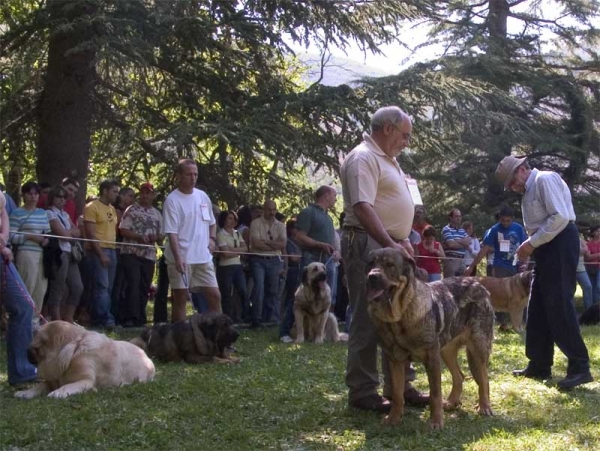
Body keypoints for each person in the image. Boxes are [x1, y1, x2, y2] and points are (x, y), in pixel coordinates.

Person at [340, 105, 428, 413]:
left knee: (399, 313)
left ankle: (400, 386)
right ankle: (363, 390)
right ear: (388, 129)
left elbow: (389, 205)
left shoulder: (388, 160)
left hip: (389, 246)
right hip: (367, 246)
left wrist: (402, 239)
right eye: (404, 135)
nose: (407, 142)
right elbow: (363, 207)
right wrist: (392, 243)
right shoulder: (363, 157)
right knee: (368, 315)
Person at [496, 154, 592, 390]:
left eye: (511, 180)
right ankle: (539, 364)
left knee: (559, 304)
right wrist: (532, 245)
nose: (511, 187)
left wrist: (531, 243)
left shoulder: (545, 179)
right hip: (547, 247)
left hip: (560, 243)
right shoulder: (528, 192)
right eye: (508, 184)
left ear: (522, 169)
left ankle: (580, 367)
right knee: (537, 305)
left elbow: (559, 217)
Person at [162, 159, 221, 323]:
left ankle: (219, 338)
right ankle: (179, 340)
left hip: (203, 258)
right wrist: (178, 258)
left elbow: (212, 223)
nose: (193, 178)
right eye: (189, 174)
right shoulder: (172, 200)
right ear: (179, 175)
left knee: (215, 296)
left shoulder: (203, 197)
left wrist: (212, 238)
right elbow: (171, 233)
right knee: (180, 299)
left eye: (195, 174)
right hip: (181, 259)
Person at [464, 206, 528, 331]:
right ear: (500, 218)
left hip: (517, 266)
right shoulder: (494, 230)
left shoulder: (518, 229)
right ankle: (502, 323)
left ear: (512, 219)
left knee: (520, 297)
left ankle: (519, 325)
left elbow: (526, 246)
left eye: (508, 221)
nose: (505, 223)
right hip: (500, 265)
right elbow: (484, 249)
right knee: (501, 293)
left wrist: (525, 263)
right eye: (503, 220)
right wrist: (471, 266)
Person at [1, 190, 38, 386]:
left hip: (2, 254)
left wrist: (3, 240)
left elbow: (3, 214)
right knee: (23, 306)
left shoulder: (3, 197)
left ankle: (22, 370)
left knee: (23, 306)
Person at [118, 183, 163, 327]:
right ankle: (130, 318)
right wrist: (138, 237)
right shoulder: (132, 210)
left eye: (148, 193)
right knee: (133, 284)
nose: (144, 195)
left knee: (144, 286)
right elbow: (123, 229)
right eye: (142, 192)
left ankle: (140, 318)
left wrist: (155, 237)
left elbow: (162, 235)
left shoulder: (157, 213)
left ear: (152, 195)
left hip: (149, 255)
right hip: (131, 252)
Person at [9, 181, 50, 329]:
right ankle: (22, 323)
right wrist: (30, 236)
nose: (33, 197)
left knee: (40, 290)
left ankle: (34, 324)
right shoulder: (17, 213)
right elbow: (11, 236)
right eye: (29, 194)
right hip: (25, 254)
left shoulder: (42, 213)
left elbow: (47, 233)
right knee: (27, 288)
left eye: (36, 194)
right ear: (24, 195)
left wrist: (45, 240)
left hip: (41, 255)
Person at [295, 185, 341, 308]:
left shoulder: (328, 218)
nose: (335, 199)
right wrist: (319, 245)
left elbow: (331, 241)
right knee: (304, 296)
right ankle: (290, 326)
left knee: (329, 296)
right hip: (312, 259)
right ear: (326, 195)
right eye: (334, 196)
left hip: (328, 260)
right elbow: (299, 237)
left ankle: (325, 325)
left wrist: (335, 251)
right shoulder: (308, 212)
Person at [83, 179, 120, 329]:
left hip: (112, 250)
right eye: (114, 191)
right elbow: (91, 234)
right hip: (99, 250)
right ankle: (103, 320)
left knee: (108, 287)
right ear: (105, 191)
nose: (117, 195)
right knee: (102, 286)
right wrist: (100, 254)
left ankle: (103, 317)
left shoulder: (111, 209)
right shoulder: (92, 207)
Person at [45, 185, 84, 323]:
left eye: (64, 197)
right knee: (58, 286)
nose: (62, 199)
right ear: (52, 198)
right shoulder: (49, 213)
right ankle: (56, 320)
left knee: (77, 286)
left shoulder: (65, 214)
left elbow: (77, 232)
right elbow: (63, 234)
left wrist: (69, 233)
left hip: (71, 253)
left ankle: (69, 318)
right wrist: (69, 233)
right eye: (59, 196)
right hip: (59, 253)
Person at [249, 200, 286, 327]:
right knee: (259, 288)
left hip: (275, 261)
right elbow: (256, 244)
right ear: (264, 210)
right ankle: (256, 319)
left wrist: (266, 242)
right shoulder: (255, 223)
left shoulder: (281, 226)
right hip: (258, 259)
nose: (272, 212)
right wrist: (274, 245)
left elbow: (282, 244)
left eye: (274, 209)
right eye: (269, 209)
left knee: (273, 290)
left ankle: (272, 319)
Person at [216, 210, 251, 323]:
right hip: (225, 268)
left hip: (238, 266)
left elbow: (245, 248)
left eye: (233, 219)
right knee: (226, 293)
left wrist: (232, 250)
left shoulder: (237, 233)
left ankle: (244, 316)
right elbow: (225, 254)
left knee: (243, 291)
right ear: (224, 220)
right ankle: (226, 317)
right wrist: (238, 251)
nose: (232, 221)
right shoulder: (220, 234)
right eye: (229, 218)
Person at [279, 219, 303, 343]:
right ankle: (284, 330)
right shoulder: (288, 242)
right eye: (294, 228)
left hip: (299, 268)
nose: (296, 231)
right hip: (293, 271)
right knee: (291, 298)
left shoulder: (297, 242)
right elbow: (293, 258)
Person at [441, 209, 471, 278]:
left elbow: (469, 241)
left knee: (463, 284)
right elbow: (451, 244)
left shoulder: (462, 230)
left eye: (460, 216)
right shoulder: (446, 229)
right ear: (450, 218)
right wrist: (463, 244)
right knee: (450, 284)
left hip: (462, 260)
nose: (458, 218)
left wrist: (456, 240)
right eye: (456, 216)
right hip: (451, 260)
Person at [575, 237, 593, 310]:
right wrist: (580, 251)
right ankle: (570, 311)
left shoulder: (579, 239)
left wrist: (581, 250)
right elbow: (570, 251)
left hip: (581, 268)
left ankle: (589, 310)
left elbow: (585, 250)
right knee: (570, 289)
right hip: (569, 269)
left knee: (588, 286)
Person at [585, 226, 600, 304]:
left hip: (599, 267)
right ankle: (595, 308)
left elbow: (591, 256)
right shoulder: (589, 244)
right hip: (590, 268)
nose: (599, 233)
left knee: (598, 287)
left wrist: (593, 256)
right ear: (593, 232)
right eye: (597, 231)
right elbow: (587, 257)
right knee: (593, 288)